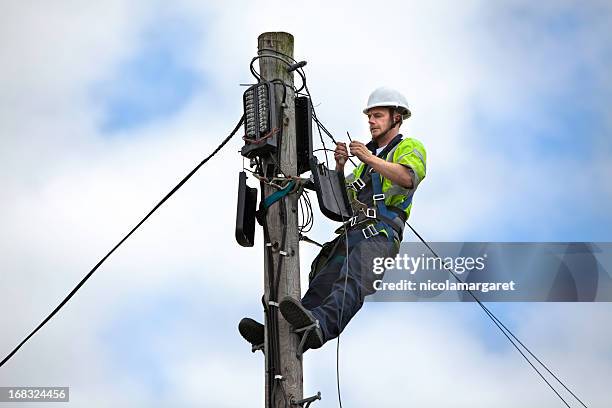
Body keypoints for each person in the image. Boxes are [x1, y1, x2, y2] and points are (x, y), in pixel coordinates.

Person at [239, 87, 427, 353]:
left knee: (350, 283)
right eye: (370, 116)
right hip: (352, 234)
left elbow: (408, 178)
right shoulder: (364, 163)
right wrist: (340, 168)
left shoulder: (408, 148)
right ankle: (278, 337)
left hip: (381, 236)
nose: (371, 121)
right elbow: (342, 203)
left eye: (378, 115)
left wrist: (369, 158)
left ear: (397, 118)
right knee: (320, 285)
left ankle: (320, 328)